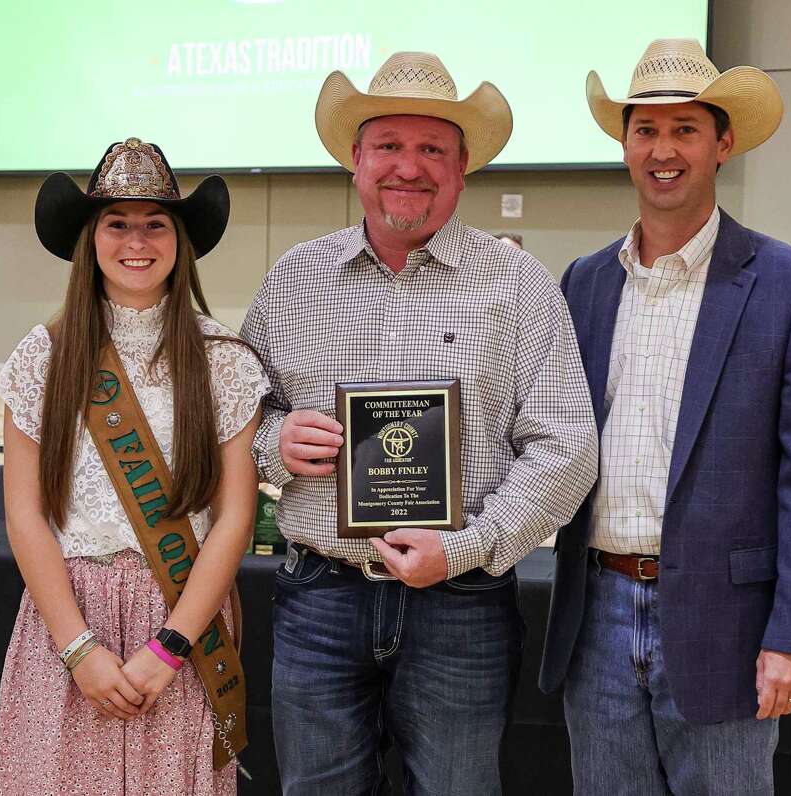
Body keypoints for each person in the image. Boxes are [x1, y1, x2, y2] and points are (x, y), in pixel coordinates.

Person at [240, 52, 597, 795]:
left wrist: (467, 547)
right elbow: (238, 419)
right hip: (320, 598)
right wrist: (276, 441)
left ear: (464, 168)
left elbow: (565, 449)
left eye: (433, 148)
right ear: (355, 160)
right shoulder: (293, 280)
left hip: (461, 606)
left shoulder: (520, 286)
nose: (410, 167)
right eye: (390, 146)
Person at [539, 39, 791, 794]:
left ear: (723, 141)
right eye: (645, 129)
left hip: (730, 625)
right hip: (598, 615)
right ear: (624, 145)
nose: (663, 149)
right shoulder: (584, 283)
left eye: (685, 129)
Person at [0, 138, 268, 795]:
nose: (136, 241)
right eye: (117, 223)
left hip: (182, 621)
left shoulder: (224, 359)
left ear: (181, 241)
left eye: (155, 224)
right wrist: (79, 649)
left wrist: (168, 648)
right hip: (67, 620)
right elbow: (25, 515)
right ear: (91, 238)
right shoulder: (43, 356)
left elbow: (233, 519)